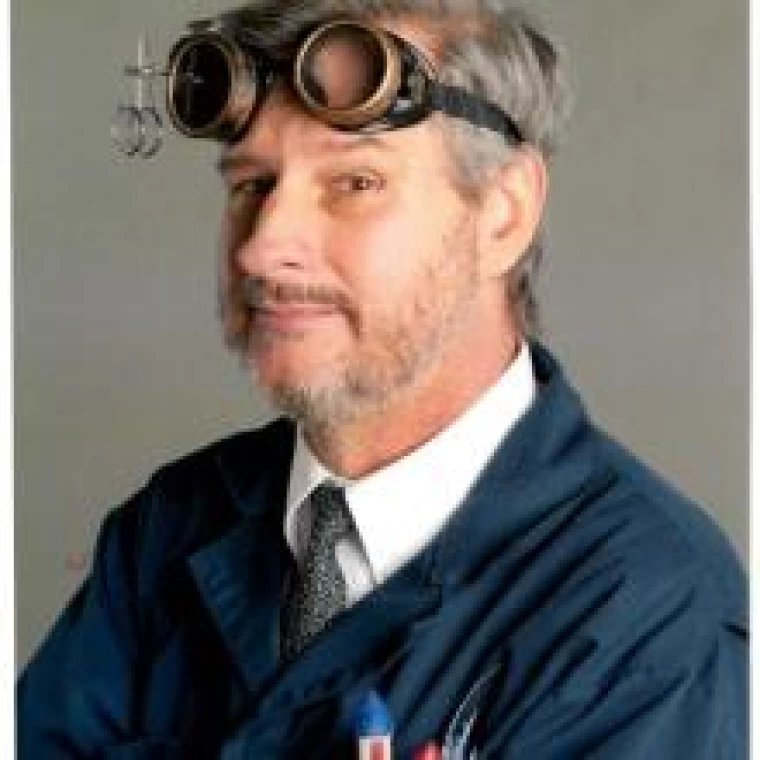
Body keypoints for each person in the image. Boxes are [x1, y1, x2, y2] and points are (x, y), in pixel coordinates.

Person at [18, 1, 747, 757]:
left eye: (355, 183)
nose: (262, 249)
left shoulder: (645, 610)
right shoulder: (166, 529)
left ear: (503, 214)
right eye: (250, 185)